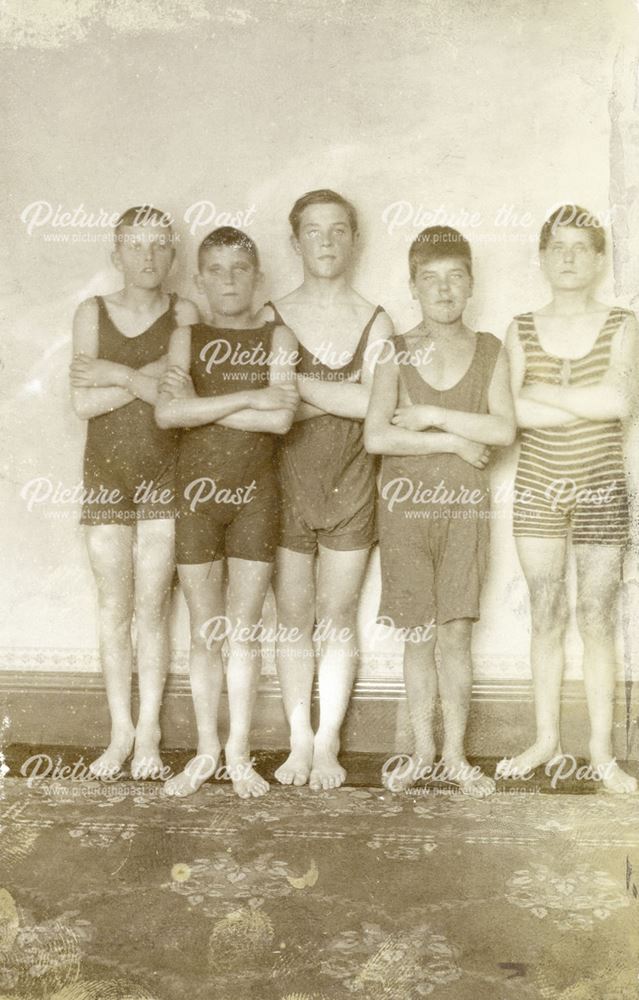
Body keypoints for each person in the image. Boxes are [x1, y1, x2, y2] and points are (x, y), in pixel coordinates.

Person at [365, 225, 515, 796]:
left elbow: (502, 428)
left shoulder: (490, 349)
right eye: (431, 279)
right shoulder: (395, 351)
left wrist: (431, 414)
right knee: (418, 633)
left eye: (455, 277)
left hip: (464, 512)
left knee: (455, 633)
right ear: (413, 286)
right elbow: (377, 437)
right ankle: (422, 751)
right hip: (404, 511)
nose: (444, 289)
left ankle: (455, 756)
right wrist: (453, 440)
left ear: (471, 284)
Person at [498, 204, 638, 794]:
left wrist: (543, 391)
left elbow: (619, 405)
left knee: (597, 616)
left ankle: (603, 753)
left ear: (600, 258)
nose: (569, 257)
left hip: (603, 486)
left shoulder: (623, 323)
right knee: (547, 613)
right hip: (537, 487)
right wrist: (580, 395)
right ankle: (545, 739)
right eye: (558, 246)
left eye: (582, 247)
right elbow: (512, 415)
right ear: (542, 256)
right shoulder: (521, 326)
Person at [155, 226, 298, 798]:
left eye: (241, 268)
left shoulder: (278, 336)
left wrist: (200, 408)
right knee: (202, 631)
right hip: (196, 499)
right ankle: (206, 751)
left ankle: (238, 751)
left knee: (243, 630)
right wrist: (246, 396)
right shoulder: (186, 337)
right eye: (216, 269)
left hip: (255, 499)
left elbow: (281, 420)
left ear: (258, 277)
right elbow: (167, 415)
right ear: (200, 279)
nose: (230, 280)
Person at [262, 189, 393, 790]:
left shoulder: (377, 319)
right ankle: (296, 742)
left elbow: (377, 406)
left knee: (337, 615)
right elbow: (275, 412)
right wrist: (343, 398)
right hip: (286, 485)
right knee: (293, 616)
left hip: (350, 485)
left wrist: (297, 390)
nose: (326, 242)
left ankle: (328, 742)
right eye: (313, 231)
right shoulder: (272, 315)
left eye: (338, 230)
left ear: (354, 239)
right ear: (295, 242)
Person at [70, 205, 197, 780]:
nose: (147, 257)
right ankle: (119, 731)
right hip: (106, 476)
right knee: (113, 607)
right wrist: (135, 379)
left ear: (172, 254)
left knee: (153, 607)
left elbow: (173, 396)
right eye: (136, 246)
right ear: (116, 253)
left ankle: (149, 733)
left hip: (164, 475)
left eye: (158, 246)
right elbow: (82, 403)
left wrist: (112, 373)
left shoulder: (186, 312)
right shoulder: (90, 313)